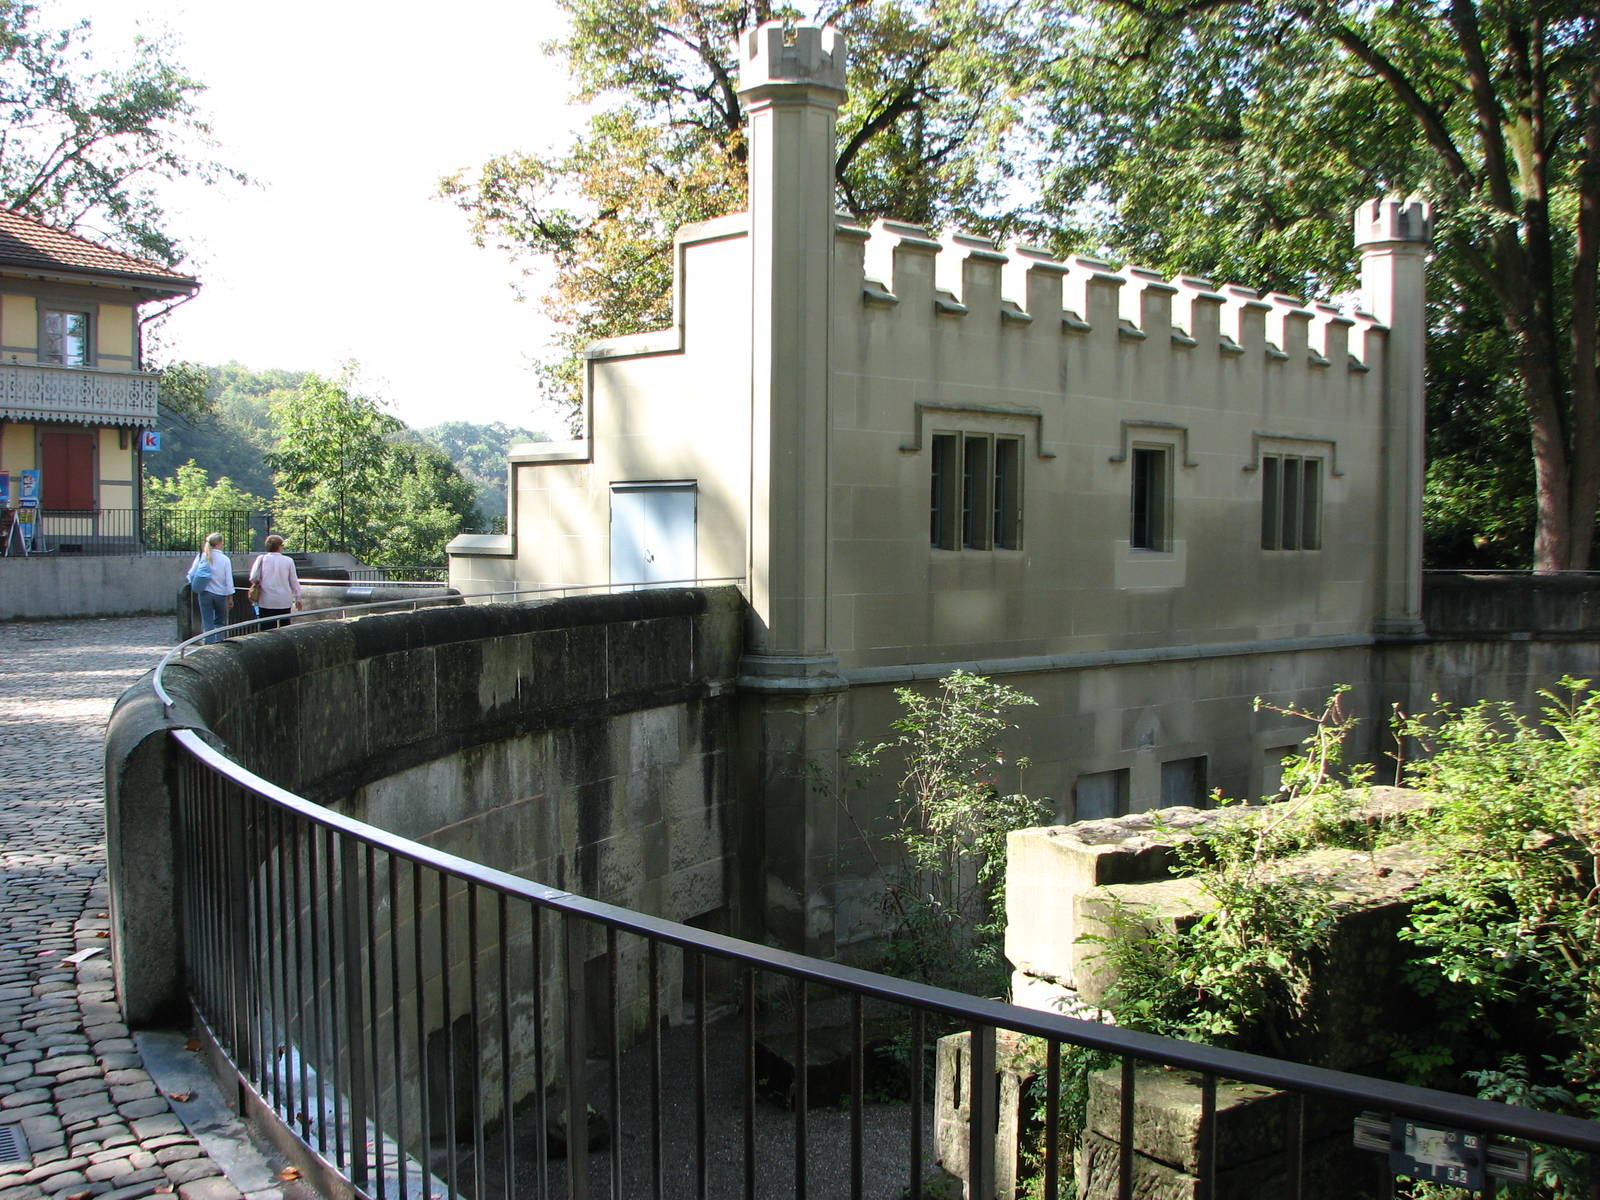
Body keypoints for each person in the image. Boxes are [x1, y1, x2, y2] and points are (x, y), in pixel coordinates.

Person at [249, 534, 303, 630]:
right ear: (279, 546)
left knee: (266, 629)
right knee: (284, 629)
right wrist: (298, 597)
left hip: (266, 600)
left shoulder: (261, 559)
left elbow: (253, 577)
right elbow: (294, 581)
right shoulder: (288, 561)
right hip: (284, 600)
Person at [189, 532, 234, 644]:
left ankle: (209, 643)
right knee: (220, 621)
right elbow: (229, 580)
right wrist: (230, 597)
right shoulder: (225, 559)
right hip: (221, 594)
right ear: (219, 543)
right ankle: (219, 642)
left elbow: (191, 574)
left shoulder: (202, 556)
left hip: (205, 593)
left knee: (207, 621)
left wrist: (195, 585)